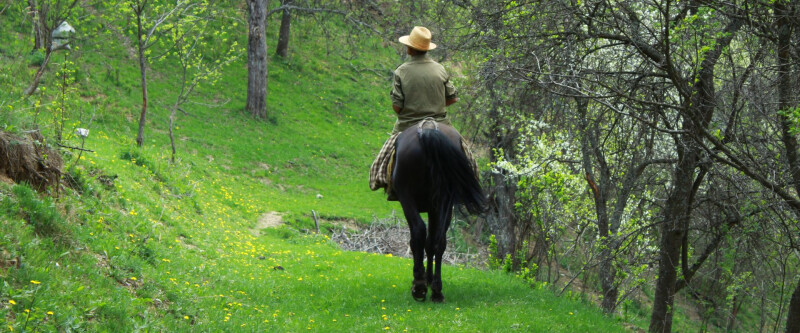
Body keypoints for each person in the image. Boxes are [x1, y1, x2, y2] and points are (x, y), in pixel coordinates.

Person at [369, 26, 475, 200]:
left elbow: (397, 107)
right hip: (441, 123)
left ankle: (382, 180)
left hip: (407, 125)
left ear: (410, 48)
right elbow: (453, 99)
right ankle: (470, 183)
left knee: (384, 157)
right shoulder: (440, 69)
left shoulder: (401, 71)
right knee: (467, 156)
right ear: (426, 48)